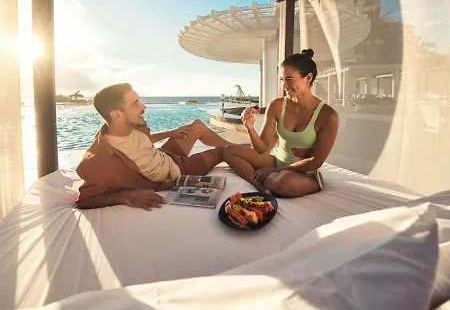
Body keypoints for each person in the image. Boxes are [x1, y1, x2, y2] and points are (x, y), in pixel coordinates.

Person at [76, 83, 232, 210]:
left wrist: (171, 133)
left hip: (164, 155)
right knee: (224, 152)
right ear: (117, 115)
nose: (143, 107)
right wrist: (125, 196)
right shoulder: (97, 160)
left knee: (196, 125)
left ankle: (241, 147)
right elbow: (85, 200)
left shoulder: (130, 126)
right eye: (135, 104)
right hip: (178, 170)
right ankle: (240, 149)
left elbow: (144, 140)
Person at [224, 49, 339, 197]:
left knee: (284, 182)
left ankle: (272, 180)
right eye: (281, 80)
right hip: (278, 162)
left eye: (289, 79)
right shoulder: (277, 105)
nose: (284, 85)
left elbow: (315, 161)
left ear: (308, 78)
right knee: (229, 151)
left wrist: (274, 171)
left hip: (304, 174)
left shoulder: (328, 115)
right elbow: (262, 148)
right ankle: (261, 187)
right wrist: (250, 128)